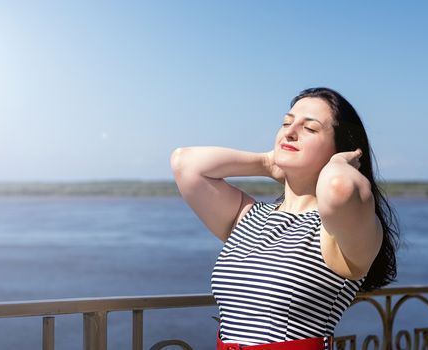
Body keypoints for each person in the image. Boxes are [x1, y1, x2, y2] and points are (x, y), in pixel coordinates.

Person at [170, 87, 399, 350]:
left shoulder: (334, 228)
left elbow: (339, 188)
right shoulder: (250, 217)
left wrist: (339, 164)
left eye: (310, 128)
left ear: (340, 149)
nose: (290, 132)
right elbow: (185, 163)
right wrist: (268, 163)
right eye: (286, 123)